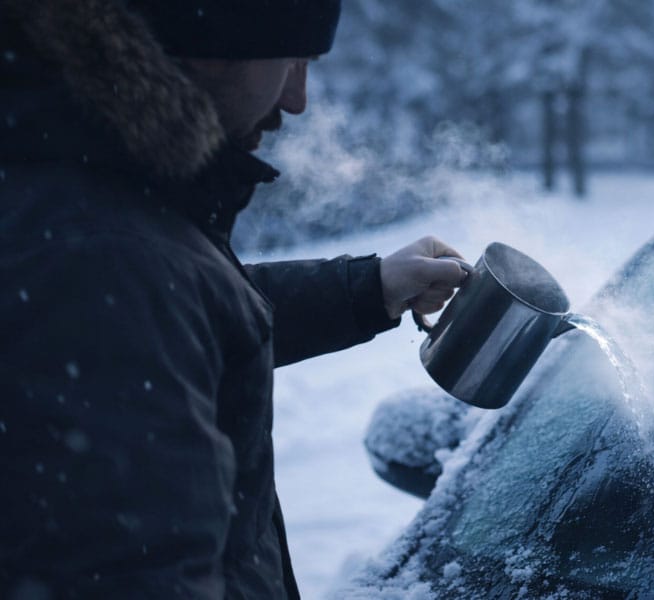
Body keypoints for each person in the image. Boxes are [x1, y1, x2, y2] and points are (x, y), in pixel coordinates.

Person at [0, 0, 464, 597]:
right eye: (292, 61)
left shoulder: (93, 209)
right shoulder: (95, 253)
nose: (296, 99)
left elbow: (181, 313)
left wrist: (369, 287)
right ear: (210, 40)